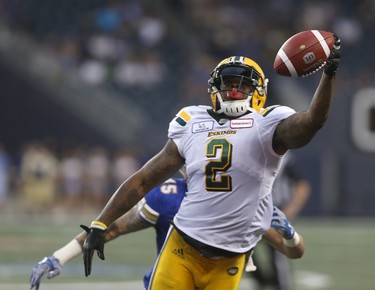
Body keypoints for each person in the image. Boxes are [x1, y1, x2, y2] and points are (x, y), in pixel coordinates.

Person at [81, 36, 341, 290]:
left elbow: (312, 122)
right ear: (214, 87)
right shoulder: (192, 121)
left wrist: (328, 75)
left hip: (230, 258)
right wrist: (101, 223)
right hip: (182, 246)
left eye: (243, 86)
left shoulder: (268, 123)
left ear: (260, 91)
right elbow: (144, 179)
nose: (234, 91)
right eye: (228, 84)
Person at [30, 177, 304, 290]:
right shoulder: (168, 195)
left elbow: (292, 251)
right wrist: (59, 256)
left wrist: (290, 235)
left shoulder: (242, 199)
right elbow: (112, 229)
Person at [251, 152, 311, 290]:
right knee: (243, 251)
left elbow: (302, 185)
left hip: (275, 212)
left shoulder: (284, 157)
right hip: (252, 212)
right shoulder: (246, 151)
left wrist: (291, 209)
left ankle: (281, 285)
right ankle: (263, 281)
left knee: (280, 254)